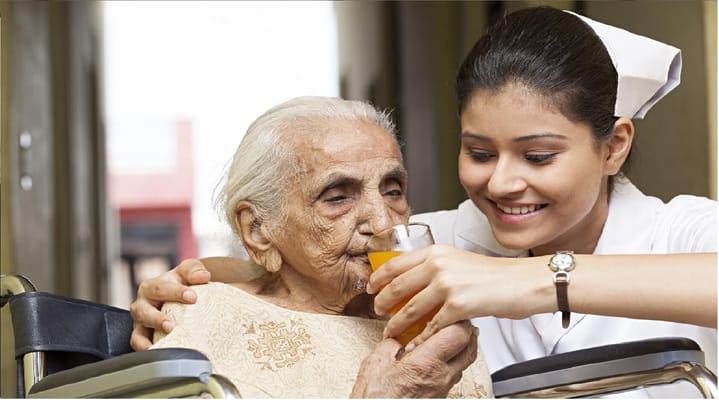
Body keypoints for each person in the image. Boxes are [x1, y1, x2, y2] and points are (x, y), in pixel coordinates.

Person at [131, 6, 716, 397]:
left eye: (538, 156)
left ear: (613, 147)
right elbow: (321, 260)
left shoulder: (681, 233)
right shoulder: (435, 241)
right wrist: (214, 286)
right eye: (480, 153)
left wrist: (530, 281)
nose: (503, 184)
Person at [147, 96, 492, 398]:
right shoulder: (207, 320)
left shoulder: (437, 318)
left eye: (393, 190)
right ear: (258, 230)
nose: (386, 223)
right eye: (338, 197)